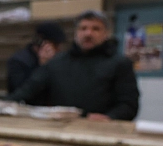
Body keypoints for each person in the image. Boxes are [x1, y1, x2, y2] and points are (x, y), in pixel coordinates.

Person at [8, 10, 139, 121]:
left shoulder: (120, 64)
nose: (88, 33)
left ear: (106, 34)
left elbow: (129, 104)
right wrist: (4, 105)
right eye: (83, 28)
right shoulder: (56, 62)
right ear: (76, 33)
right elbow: (27, 90)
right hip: (61, 130)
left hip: (100, 132)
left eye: (96, 29)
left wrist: (110, 117)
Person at [6, 22, 67, 105]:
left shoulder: (55, 61)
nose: (58, 50)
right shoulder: (19, 62)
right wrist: (43, 67)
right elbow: (22, 93)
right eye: (55, 46)